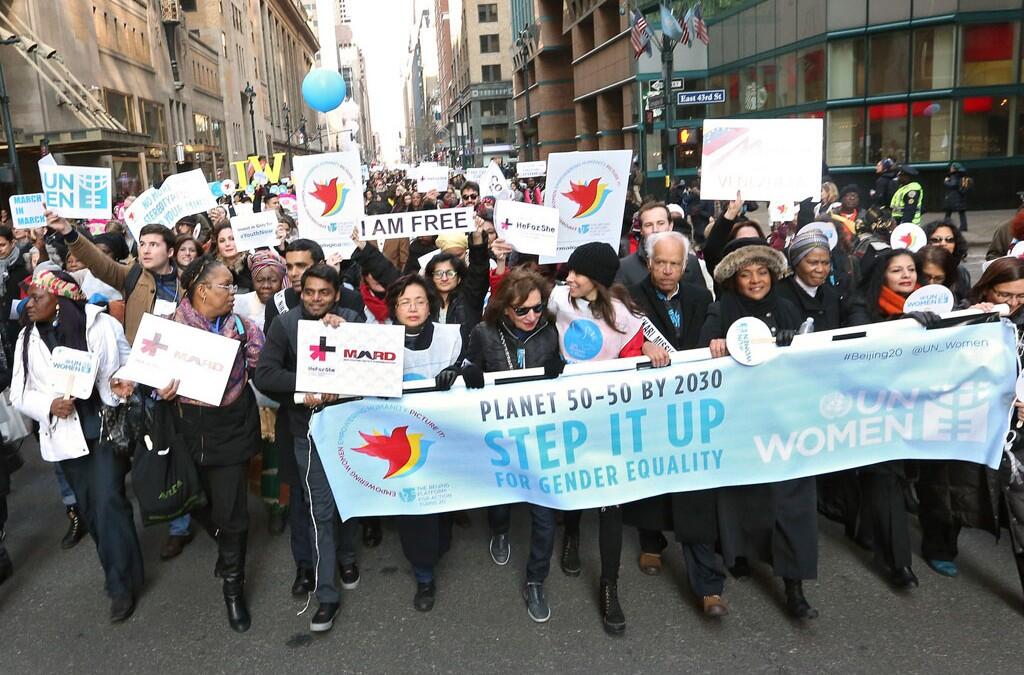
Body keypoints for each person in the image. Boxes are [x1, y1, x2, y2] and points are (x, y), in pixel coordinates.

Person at [46, 212, 195, 559]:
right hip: (139, 379)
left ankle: (184, 518)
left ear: (170, 251)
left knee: (175, 449)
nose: (145, 250)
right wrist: (70, 232)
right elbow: (97, 263)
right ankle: (159, 518)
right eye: (142, 243)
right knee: (145, 450)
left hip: (178, 378)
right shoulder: (132, 276)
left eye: (154, 244)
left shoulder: (190, 280)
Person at [11, 270, 143, 621]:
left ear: (60, 300)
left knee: (108, 501)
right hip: (65, 437)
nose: (29, 304)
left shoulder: (99, 326)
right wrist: (48, 406)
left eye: (38, 296)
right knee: (92, 508)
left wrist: (121, 384)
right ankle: (124, 567)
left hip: (102, 430)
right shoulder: (27, 338)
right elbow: (19, 392)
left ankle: (120, 585)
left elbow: (127, 362)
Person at [548, 241, 667, 634]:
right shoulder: (558, 299)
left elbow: (636, 349)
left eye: (577, 273)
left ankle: (609, 586)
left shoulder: (623, 315)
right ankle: (570, 535)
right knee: (573, 481)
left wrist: (647, 346)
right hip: (566, 413)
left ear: (596, 278)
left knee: (609, 501)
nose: (569, 278)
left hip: (607, 419)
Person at [698, 237, 819, 619]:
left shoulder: (787, 307)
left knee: (792, 502)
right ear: (734, 279)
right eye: (746, 274)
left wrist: (793, 343)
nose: (755, 280)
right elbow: (702, 354)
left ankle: (794, 588)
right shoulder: (721, 309)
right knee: (743, 497)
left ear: (773, 275)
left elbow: (816, 355)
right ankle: (741, 553)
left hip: (785, 422)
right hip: (739, 422)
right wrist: (714, 346)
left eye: (762, 272)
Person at [619, 231, 726, 616]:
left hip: (693, 405)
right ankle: (651, 542)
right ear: (649, 262)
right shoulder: (629, 298)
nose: (667, 270)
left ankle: (708, 585)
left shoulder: (700, 297)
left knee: (694, 487)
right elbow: (619, 337)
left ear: (685, 266)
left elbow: (714, 327)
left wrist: (717, 340)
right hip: (649, 405)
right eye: (660, 262)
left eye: (674, 264)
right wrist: (639, 344)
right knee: (650, 478)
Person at [256, 263, 364, 632]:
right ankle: (327, 594)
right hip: (309, 431)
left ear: (336, 294)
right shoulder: (285, 326)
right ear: (301, 293)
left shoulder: (352, 318)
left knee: (348, 500)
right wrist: (308, 387)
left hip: (350, 429)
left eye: (324, 292)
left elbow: (376, 366)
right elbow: (266, 375)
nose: (316, 298)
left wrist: (349, 334)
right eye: (309, 292)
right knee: (320, 510)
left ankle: (348, 557)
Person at [168, 257, 264, 631]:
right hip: (186, 428)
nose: (233, 293)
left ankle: (233, 588)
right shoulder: (169, 328)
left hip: (231, 428)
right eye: (226, 286)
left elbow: (264, 367)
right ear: (202, 289)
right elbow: (146, 377)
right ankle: (224, 541)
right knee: (193, 501)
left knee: (232, 511)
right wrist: (157, 389)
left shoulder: (243, 328)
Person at [461, 267, 561, 623]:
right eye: (523, 310)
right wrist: (468, 373)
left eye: (538, 308)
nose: (532, 316)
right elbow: (465, 366)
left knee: (545, 515)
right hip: (500, 435)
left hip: (540, 437)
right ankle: (500, 529)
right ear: (506, 308)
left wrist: (559, 366)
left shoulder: (550, 332)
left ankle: (536, 579)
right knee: (501, 499)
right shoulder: (484, 333)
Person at [915, 257, 1024, 580]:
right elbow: (929, 358)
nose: (1014, 303)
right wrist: (958, 325)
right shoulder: (964, 314)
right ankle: (939, 546)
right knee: (951, 489)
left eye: (1021, 297)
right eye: (1005, 295)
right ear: (986, 288)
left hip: (1010, 430)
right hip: (962, 421)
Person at [848, 248, 924, 590]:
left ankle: (863, 528)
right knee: (886, 478)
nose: (906, 275)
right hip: (874, 409)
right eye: (897, 270)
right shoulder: (862, 308)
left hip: (913, 408)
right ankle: (898, 564)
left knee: (890, 479)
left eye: (911, 269)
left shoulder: (932, 308)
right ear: (883, 276)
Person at [387, 274, 462, 612]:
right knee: (414, 511)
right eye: (404, 302)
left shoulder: (451, 337)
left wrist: (460, 372)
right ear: (394, 308)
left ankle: (436, 550)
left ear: (431, 303)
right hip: (402, 441)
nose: (413, 308)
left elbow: (472, 368)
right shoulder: (379, 341)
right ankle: (423, 576)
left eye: (419, 300)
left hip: (443, 435)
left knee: (440, 511)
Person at [615, 202, 705, 290]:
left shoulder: (690, 261)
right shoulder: (625, 267)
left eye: (660, 223)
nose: (655, 230)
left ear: (670, 226)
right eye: (648, 225)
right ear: (641, 230)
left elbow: (701, 299)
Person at [923, 220, 970, 296]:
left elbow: (967, 300)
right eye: (936, 240)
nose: (943, 243)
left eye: (949, 240)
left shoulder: (962, 272)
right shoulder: (916, 271)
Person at [211, 223, 253, 294]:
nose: (227, 244)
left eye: (232, 239)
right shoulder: (213, 268)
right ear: (217, 246)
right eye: (222, 241)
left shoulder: (252, 262)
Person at [942, 162, 969, 231]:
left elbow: (953, 184)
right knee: (961, 212)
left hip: (953, 197)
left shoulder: (954, 176)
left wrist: (946, 181)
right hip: (960, 196)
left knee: (948, 211)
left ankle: (945, 225)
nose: (950, 169)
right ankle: (964, 226)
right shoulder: (962, 175)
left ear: (954, 169)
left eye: (951, 167)